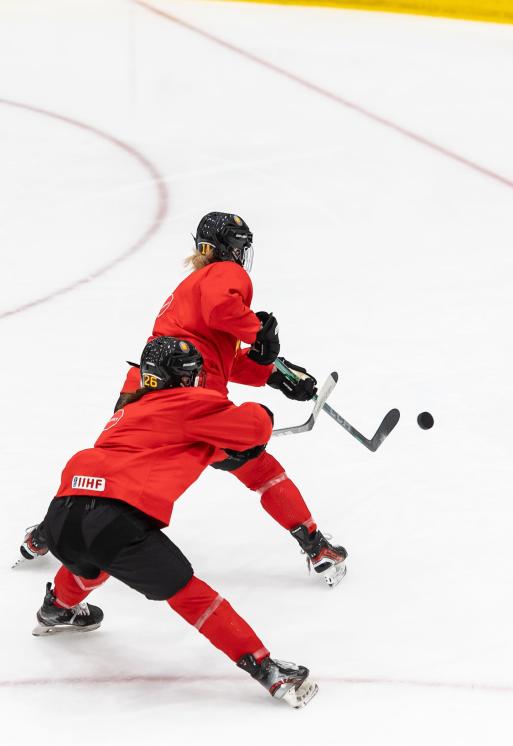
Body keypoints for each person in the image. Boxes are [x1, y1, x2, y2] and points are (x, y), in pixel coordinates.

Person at [32, 336, 317, 708]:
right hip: (113, 518)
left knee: (95, 558)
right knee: (191, 595)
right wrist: (255, 424)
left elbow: (173, 444)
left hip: (62, 513)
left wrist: (222, 445)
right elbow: (255, 424)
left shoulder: (127, 410)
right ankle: (268, 670)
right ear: (183, 378)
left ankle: (56, 608)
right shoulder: (191, 402)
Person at [116, 212, 346, 584]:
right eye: (241, 246)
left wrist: (274, 375)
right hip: (192, 403)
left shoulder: (188, 289)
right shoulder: (224, 273)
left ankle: (45, 537)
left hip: (142, 393)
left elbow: (218, 358)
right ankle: (317, 547)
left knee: (108, 477)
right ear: (230, 248)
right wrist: (259, 334)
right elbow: (223, 310)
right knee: (261, 469)